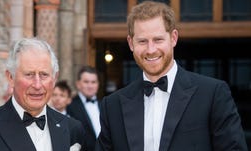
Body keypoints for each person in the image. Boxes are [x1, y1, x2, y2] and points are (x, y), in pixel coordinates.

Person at [95, 1, 248, 151]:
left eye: (158, 39)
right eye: (142, 41)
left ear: (173, 38)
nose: (151, 49)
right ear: (131, 43)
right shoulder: (112, 105)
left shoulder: (213, 94)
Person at [0, 38, 85, 151]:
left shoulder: (72, 128)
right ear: (10, 77)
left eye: (44, 75)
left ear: (54, 78)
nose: (37, 85)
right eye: (29, 74)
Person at [67, 66, 101, 151]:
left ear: (98, 84)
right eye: (86, 82)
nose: (90, 86)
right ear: (78, 84)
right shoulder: (69, 106)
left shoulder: (104, 105)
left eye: (93, 82)